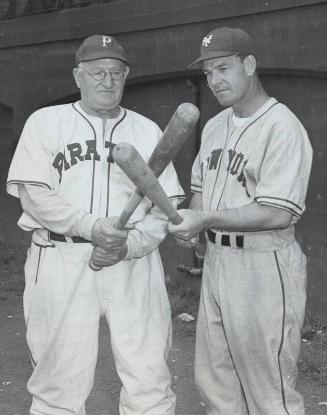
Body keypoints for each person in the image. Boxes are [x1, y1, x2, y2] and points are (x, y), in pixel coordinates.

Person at [6, 34, 184, 415]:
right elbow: (34, 196)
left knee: (149, 379)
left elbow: (164, 206)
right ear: (78, 76)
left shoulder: (147, 130)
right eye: (98, 72)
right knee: (58, 384)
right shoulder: (47, 122)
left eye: (116, 72)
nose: (107, 80)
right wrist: (91, 226)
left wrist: (130, 245)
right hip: (60, 256)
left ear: (126, 76)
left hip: (132, 262)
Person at [168, 27, 312, 415]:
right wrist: (195, 227)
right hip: (218, 263)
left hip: (264, 265)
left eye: (223, 68)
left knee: (270, 392)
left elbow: (277, 211)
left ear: (249, 65)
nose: (214, 80)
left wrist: (206, 217)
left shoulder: (281, 126)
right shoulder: (215, 126)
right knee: (217, 385)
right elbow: (200, 188)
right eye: (209, 72)